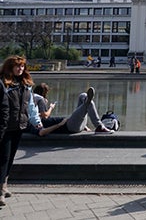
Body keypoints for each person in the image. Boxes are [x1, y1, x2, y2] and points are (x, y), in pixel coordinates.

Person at [0, 56, 44, 206]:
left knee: (10, 157)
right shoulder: (4, 84)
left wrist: (36, 121)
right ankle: (0, 191)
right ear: (10, 67)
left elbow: (30, 105)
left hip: (19, 126)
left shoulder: (26, 84)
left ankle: (4, 185)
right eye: (17, 66)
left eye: (22, 66)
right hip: (5, 126)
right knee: (4, 158)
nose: (20, 69)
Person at [31, 86, 114, 135]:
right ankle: (99, 126)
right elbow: (41, 132)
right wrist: (59, 125)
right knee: (87, 103)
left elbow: (44, 115)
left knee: (83, 95)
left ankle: (88, 101)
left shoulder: (36, 117)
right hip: (70, 127)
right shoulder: (33, 124)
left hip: (73, 123)